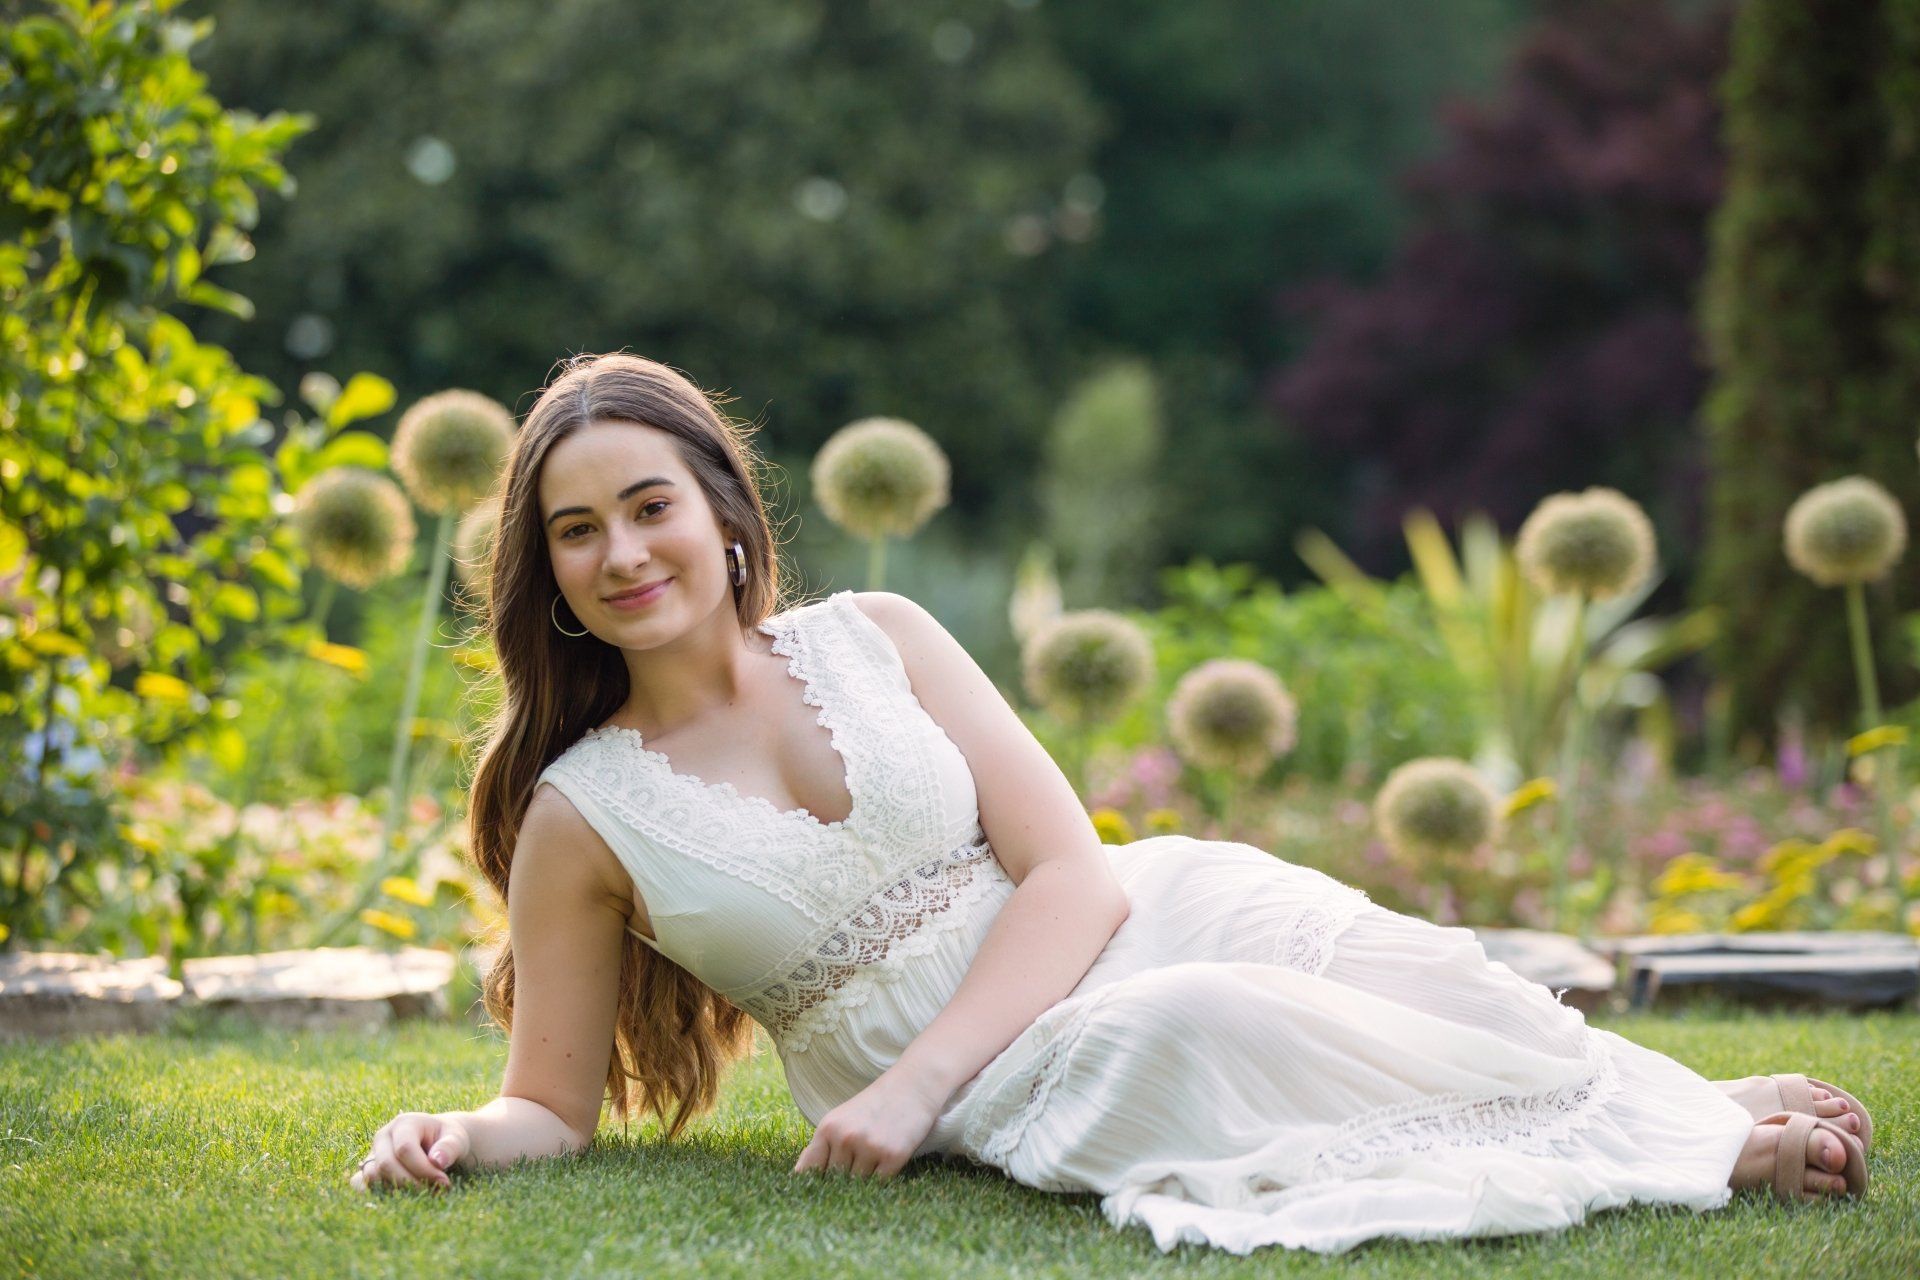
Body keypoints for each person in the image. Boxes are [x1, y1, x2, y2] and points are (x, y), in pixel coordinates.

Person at [348, 353, 1872, 1255]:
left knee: (1324, 935)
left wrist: (907, 1087)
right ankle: (1698, 1155)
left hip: (1113, 919)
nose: (622, 552)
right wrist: (457, 1134)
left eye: (649, 506)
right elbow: (547, 1104)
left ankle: (1663, 1105)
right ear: (543, 576)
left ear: (727, 515)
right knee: (1199, 1025)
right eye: (575, 531)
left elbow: (1071, 869)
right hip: (1025, 1056)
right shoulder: (583, 815)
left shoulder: (879, 634)